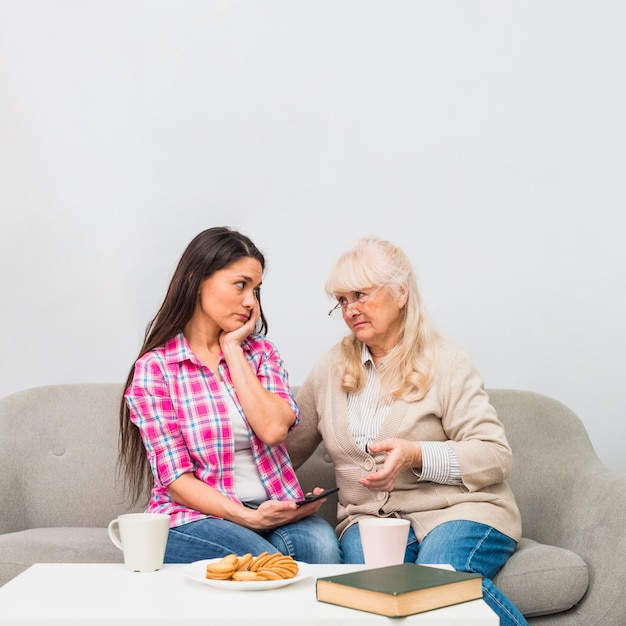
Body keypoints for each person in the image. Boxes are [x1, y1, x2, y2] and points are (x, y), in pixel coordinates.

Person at [286, 236, 528, 625]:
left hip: (459, 512)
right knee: (372, 603)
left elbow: (495, 456)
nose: (350, 310)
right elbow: (285, 453)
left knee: (434, 584)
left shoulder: (447, 360)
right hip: (369, 522)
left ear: (401, 293)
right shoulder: (331, 368)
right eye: (342, 300)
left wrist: (416, 455)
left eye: (361, 294)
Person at [118, 226, 341, 564]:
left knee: (321, 550)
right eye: (240, 285)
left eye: (256, 290)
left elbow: (273, 429)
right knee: (265, 560)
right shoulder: (156, 369)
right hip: (194, 516)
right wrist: (246, 517)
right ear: (196, 280)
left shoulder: (261, 354)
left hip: (277, 509)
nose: (251, 302)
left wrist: (233, 349)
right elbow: (178, 481)